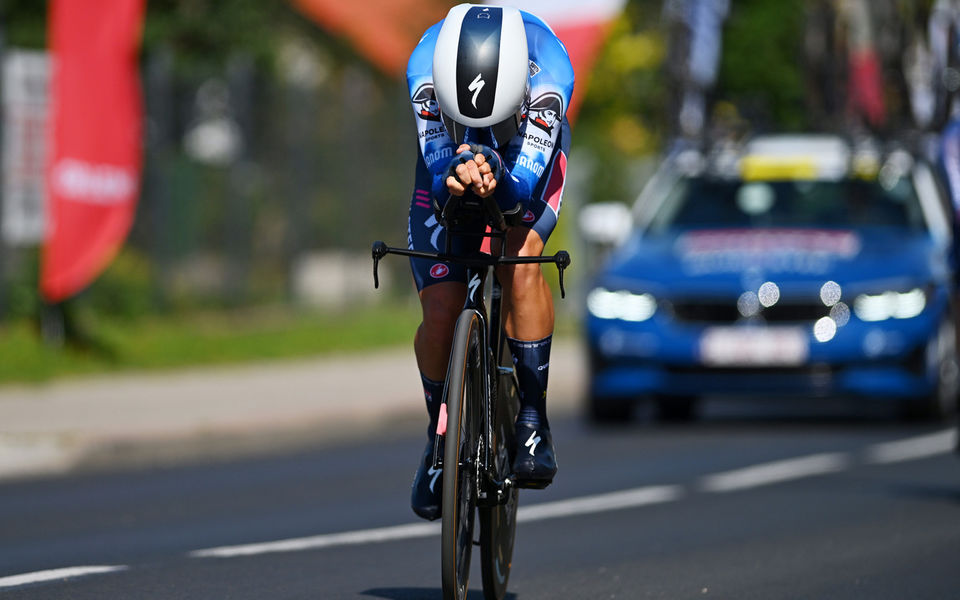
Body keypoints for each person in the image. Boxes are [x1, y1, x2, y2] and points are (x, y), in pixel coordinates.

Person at [405, 3, 574, 520]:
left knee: (519, 255)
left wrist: (498, 177)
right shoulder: (424, 67)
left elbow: (521, 193)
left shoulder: (551, 74)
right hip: (454, 158)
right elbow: (437, 175)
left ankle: (531, 415)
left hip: (524, 160)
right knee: (440, 308)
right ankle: (439, 438)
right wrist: (453, 173)